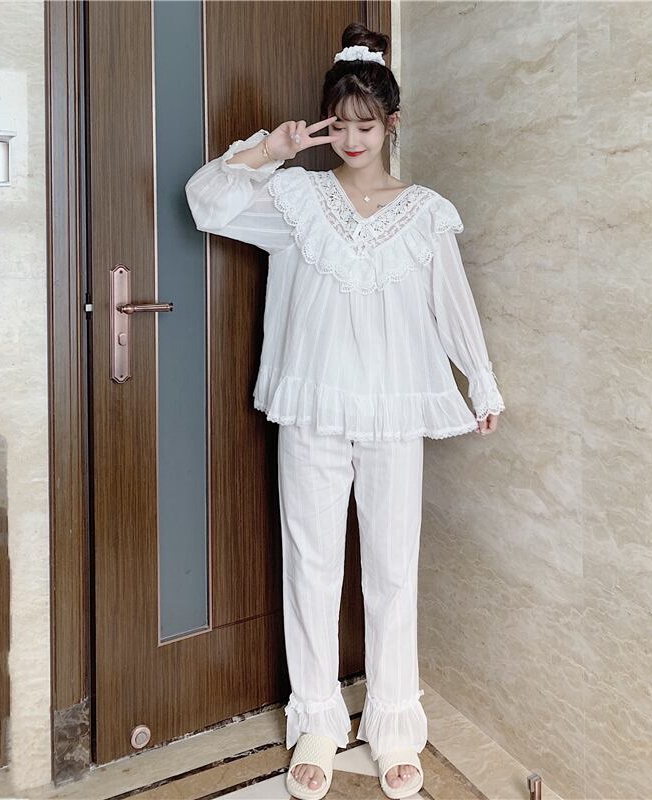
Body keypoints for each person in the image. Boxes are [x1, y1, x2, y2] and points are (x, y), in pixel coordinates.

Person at [185, 22, 504, 800]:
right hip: (313, 408)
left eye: (368, 125)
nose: (354, 140)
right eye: (342, 124)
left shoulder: (424, 212)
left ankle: (394, 724)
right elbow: (205, 203)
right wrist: (273, 149)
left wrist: (481, 382)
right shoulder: (296, 198)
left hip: (392, 411)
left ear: (391, 124)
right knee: (312, 565)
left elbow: (451, 304)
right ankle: (318, 723)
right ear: (327, 122)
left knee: (393, 570)